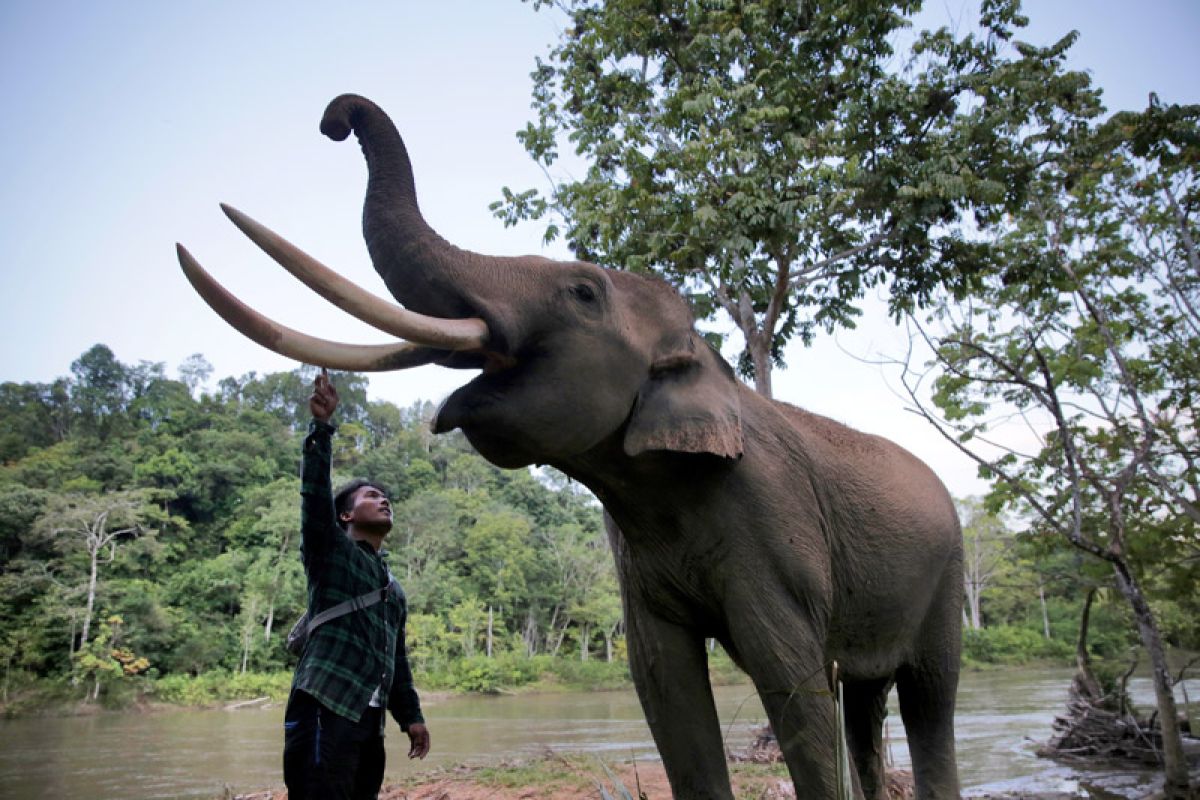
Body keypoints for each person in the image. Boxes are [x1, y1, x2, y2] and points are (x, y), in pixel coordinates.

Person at [283, 369, 430, 800]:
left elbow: (396, 660)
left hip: (371, 721)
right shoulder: (331, 553)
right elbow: (313, 497)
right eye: (369, 497)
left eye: (385, 499)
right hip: (325, 704)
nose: (383, 500)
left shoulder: (393, 588)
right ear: (345, 516)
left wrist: (412, 717)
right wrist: (322, 427)